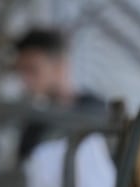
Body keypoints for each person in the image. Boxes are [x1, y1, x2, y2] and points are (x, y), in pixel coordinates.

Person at [13, 27, 107, 162]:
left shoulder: (97, 112)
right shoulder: (35, 125)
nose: (26, 81)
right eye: (22, 72)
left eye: (32, 70)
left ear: (59, 66)